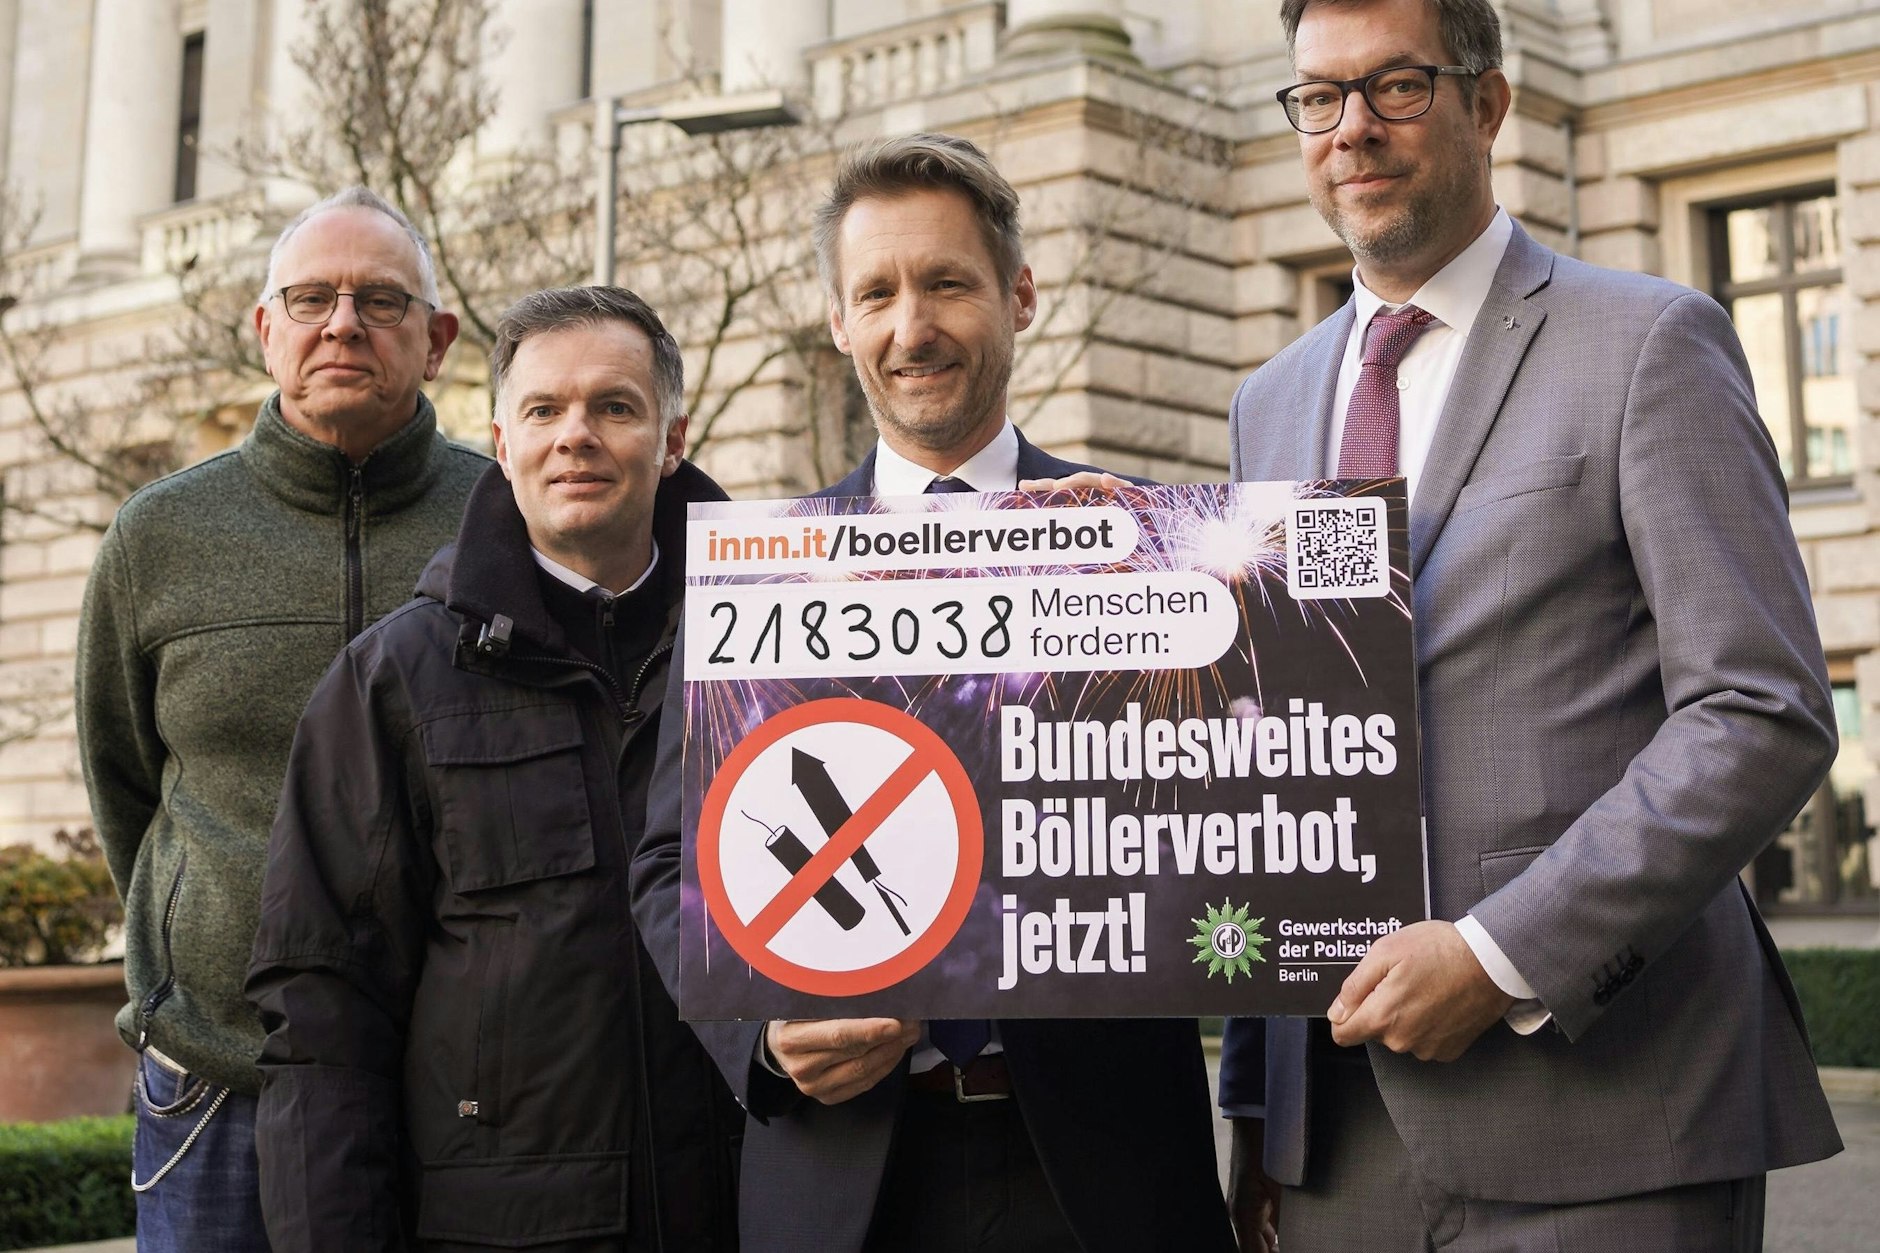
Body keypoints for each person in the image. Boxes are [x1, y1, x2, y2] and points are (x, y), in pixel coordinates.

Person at [1218, 2, 1844, 1250]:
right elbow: (1280, 755)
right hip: (1337, 1145)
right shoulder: (1267, 402)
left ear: (1487, 102)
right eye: (1318, 96)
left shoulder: (1650, 341)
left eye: (1396, 87)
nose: (1351, 130)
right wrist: (1256, 1118)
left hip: (1607, 1121)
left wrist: (1502, 954)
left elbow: (1757, 710)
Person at [632, 133, 1234, 1253]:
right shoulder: (758, 574)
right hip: (841, 1177)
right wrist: (760, 1036)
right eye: (877, 292)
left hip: (1108, 1175)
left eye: (947, 283)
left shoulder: (1160, 553)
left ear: (1018, 296)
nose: (911, 327)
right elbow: (669, 866)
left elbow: (1255, 822)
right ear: (838, 322)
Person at [245, 286, 742, 1252]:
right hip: (502, 1229)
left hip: (747, 1210)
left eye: (615, 407)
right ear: (500, 440)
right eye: (545, 410)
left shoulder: (771, 660)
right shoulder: (396, 678)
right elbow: (323, 1010)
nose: (576, 437)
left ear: (672, 438)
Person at [75, 185, 486, 1251]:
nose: (342, 323)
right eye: (309, 299)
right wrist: (186, 953)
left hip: (462, 1078)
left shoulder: (503, 522)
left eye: (379, 301)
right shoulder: (157, 535)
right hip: (216, 1079)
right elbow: (124, 778)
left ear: (436, 339)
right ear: (266, 331)